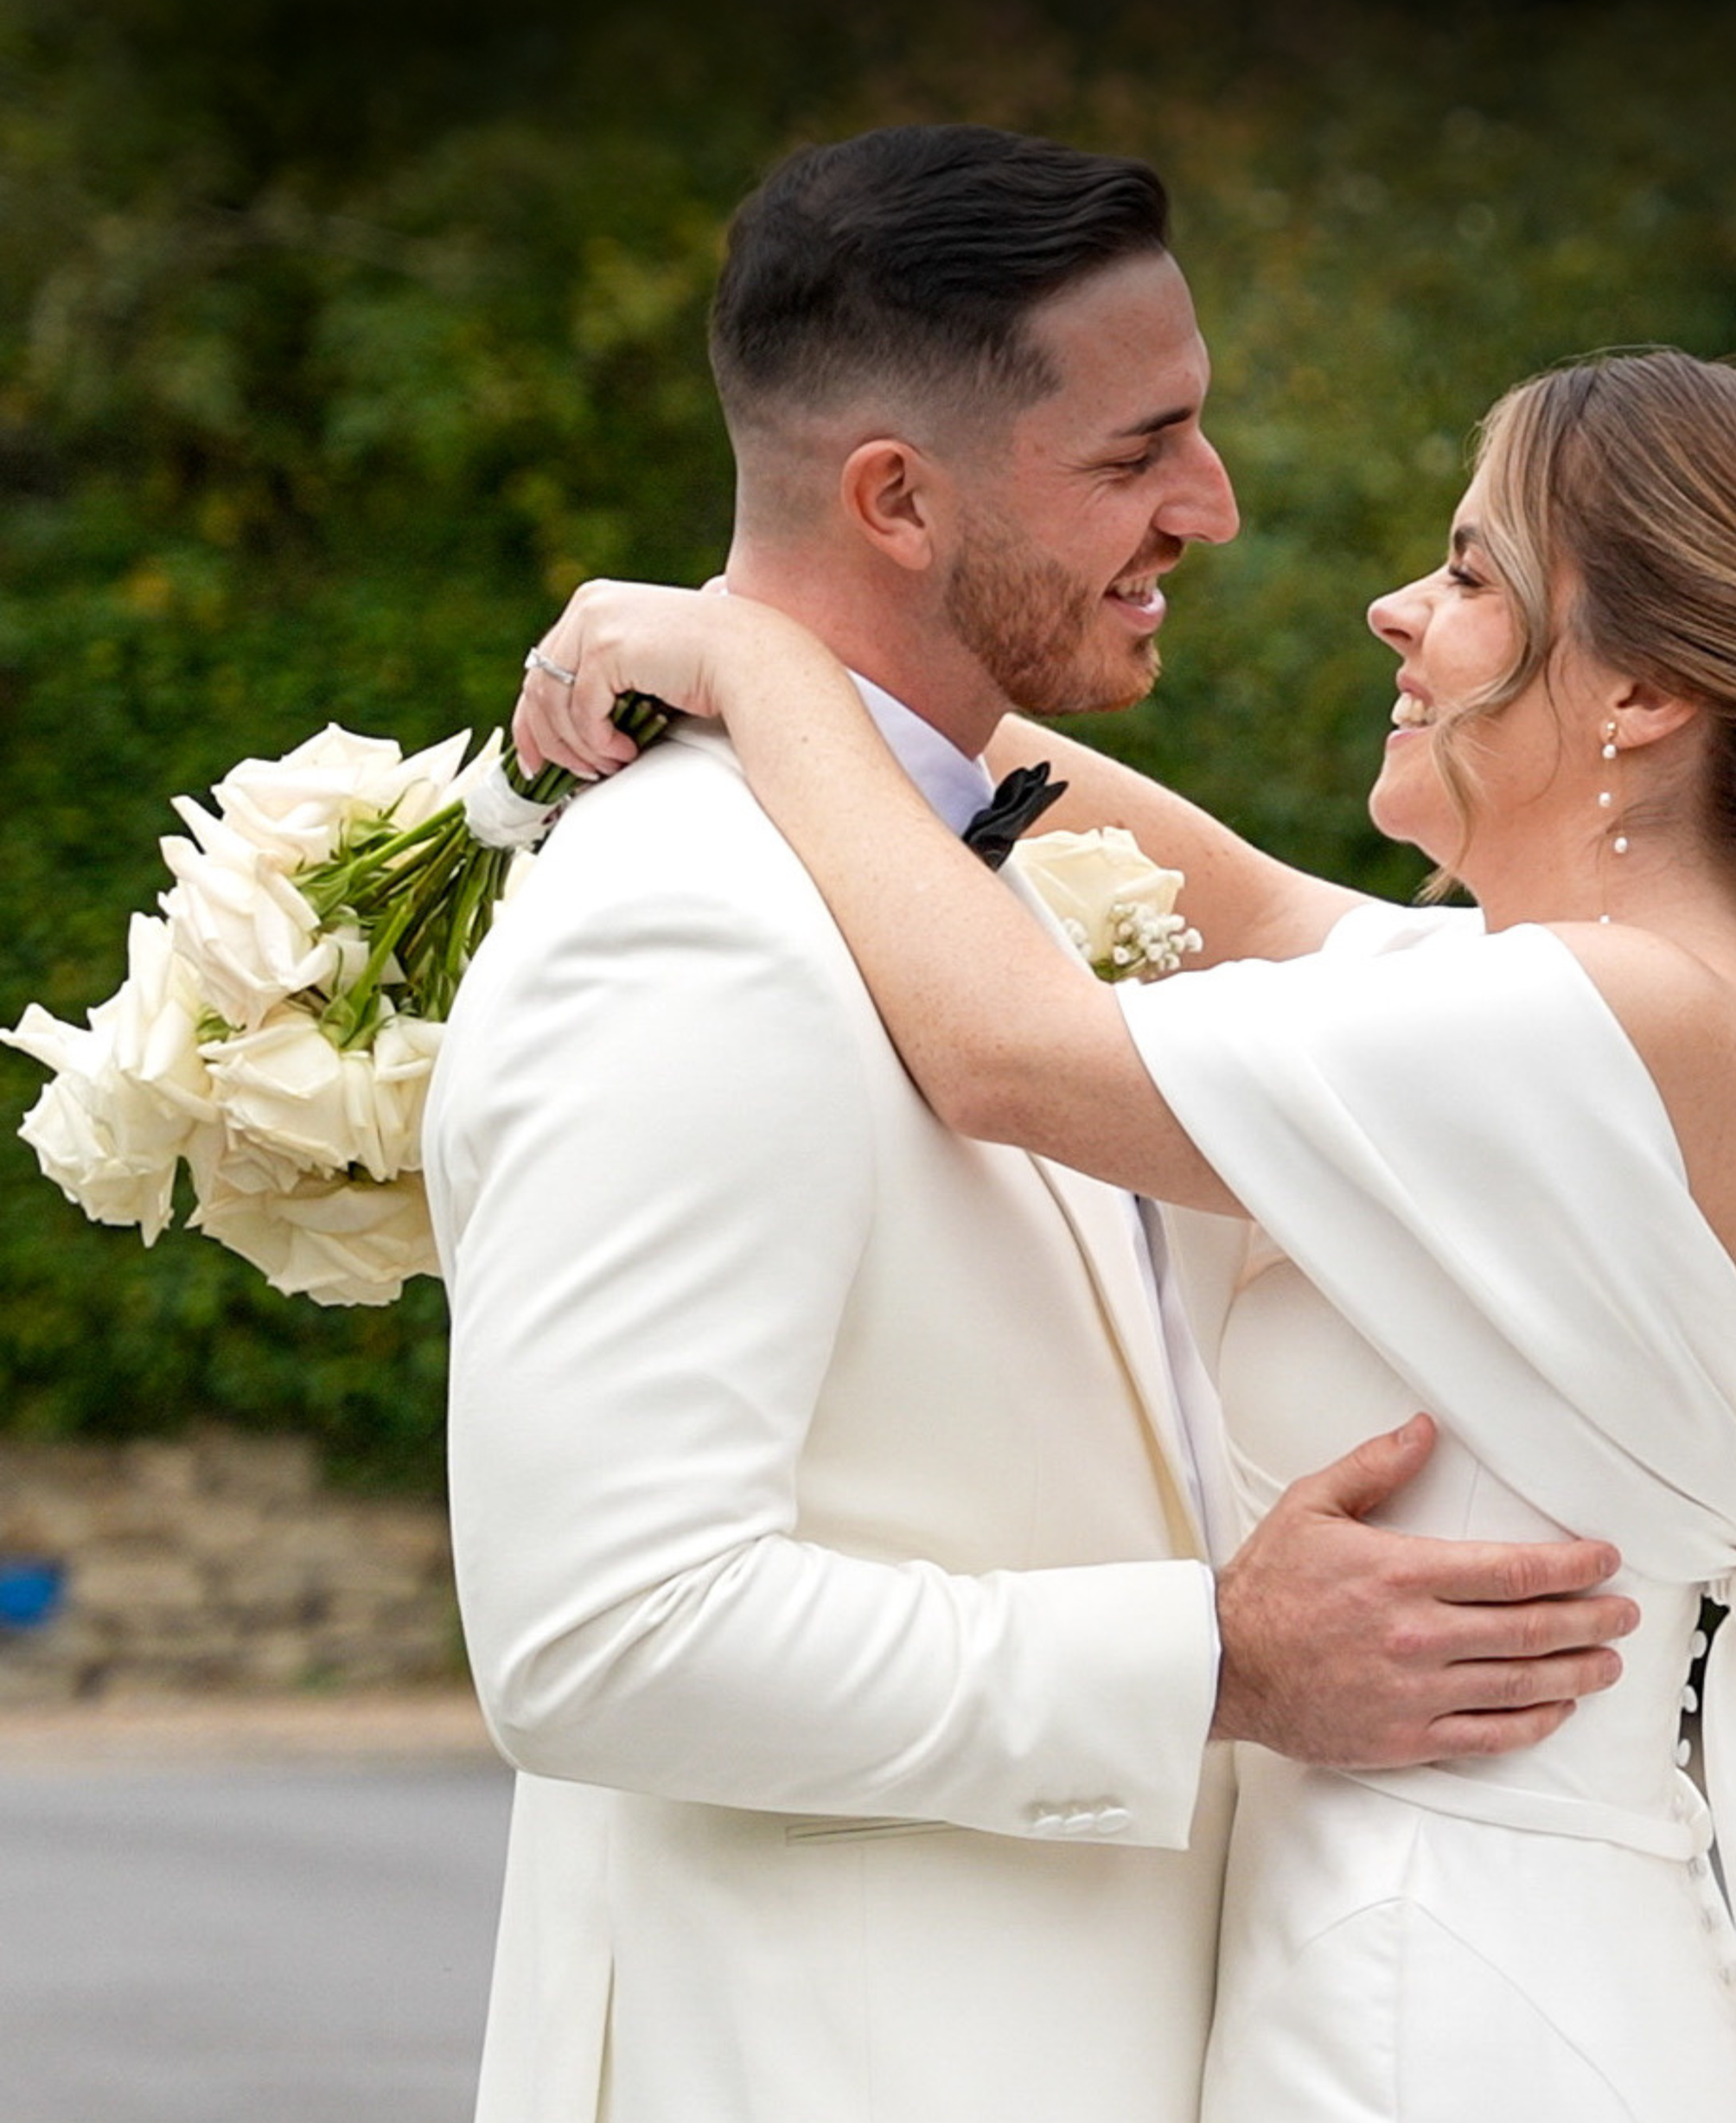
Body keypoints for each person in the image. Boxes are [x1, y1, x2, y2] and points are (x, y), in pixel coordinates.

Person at [520, 346, 1736, 2123]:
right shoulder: (1691, 1012)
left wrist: (756, 665)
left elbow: (1011, 1053)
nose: (1397, 608)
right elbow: (1236, 898)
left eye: (1467, 572)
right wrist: (819, 653)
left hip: (1426, 1989)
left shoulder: (1586, 1024)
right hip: (1551, 1936)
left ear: (1643, 692)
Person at [424, 125, 1637, 2123]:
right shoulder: (684, 927)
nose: (1215, 509)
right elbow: (600, 1635)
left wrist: (745, 651)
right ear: (895, 497)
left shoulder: (942, 868)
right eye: (1136, 450)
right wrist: (1214, 1664)